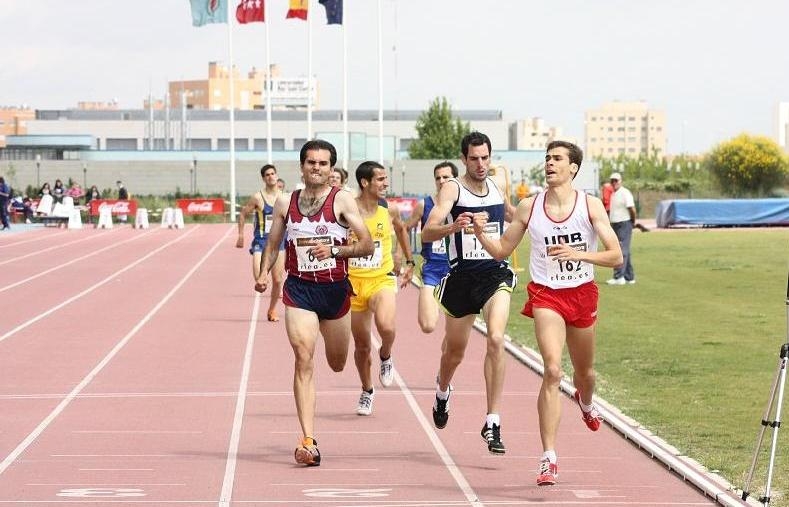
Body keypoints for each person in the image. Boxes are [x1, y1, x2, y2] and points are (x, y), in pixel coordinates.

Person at [471, 140, 622, 486]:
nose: (550, 164)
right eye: (547, 158)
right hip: (546, 295)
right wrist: (479, 233)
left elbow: (616, 256)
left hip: (582, 293)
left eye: (557, 159)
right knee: (552, 370)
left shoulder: (590, 205)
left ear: (573, 168)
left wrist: (578, 254)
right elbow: (501, 250)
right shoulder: (529, 207)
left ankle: (585, 404)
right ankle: (548, 458)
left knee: (586, 374)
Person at [256, 139, 374, 466]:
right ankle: (308, 440)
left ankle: (338, 353)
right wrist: (265, 273)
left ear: (331, 168)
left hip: (335, 291)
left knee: (337, 362)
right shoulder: (285, 202)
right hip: (300, 290)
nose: (317, 168)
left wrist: (334, 251)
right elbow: (273, 242)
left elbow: (366, 245)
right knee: (303, 357)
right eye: (311, 163)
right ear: (302, 166)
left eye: (323, 163)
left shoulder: (342, 201)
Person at [421, 131, 516, 455]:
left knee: (496, 338)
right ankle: (442, 390)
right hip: (462, 278)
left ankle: (492, 421)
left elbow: (514, 215)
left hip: (494, 274)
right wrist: (452, 226)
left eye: (485, 157)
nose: (480, 164)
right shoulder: (452, 188)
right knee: (454, 354)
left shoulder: (497, 185)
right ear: (464, 159)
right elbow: (427, 230)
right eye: (474, 158)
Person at [348, 161, 415, 416]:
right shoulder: (347, 212)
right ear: (365, 183)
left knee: (386, 326)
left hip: (381, 278)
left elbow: (401, 230)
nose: (386, 184)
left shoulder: (390, 210)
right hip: (353, 283)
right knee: (362, 346)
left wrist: (408, 260)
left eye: (386, 179)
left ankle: (386, 355)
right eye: (380, 179)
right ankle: (367, 390)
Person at [404, 161, 458, 334]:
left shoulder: (464, 204)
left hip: (458, 271)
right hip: (433, 269)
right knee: (427, 325)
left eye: (446, 177)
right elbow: (404, 229)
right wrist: (408, 261)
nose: (441, 181)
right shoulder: (424, 204)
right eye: (438, 178)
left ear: (455, 179)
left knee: (454, 338)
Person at [236, 164, 286, 322]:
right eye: (267, 175)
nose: (271, 176)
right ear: (263, 178)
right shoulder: (258, 197)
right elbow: (243, 214)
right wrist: (241, 235)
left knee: (278, 280)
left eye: (273, 173)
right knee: (259, 279)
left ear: (277, 175)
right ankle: (263, 278)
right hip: (261, 240)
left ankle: (271, 310)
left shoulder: (284, 197)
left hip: (279, 241)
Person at [606, 172, 636, 285]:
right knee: (625, 249)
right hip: (616, 224)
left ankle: (619, 277)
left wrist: (633, 221)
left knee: (621, 249)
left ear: (620, 181)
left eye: (616, 181)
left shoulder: (625, 193)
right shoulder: (614, 194)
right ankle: (629, 276)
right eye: (612, 181)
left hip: (624, 223)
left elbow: (632, 208)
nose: (614, 183)